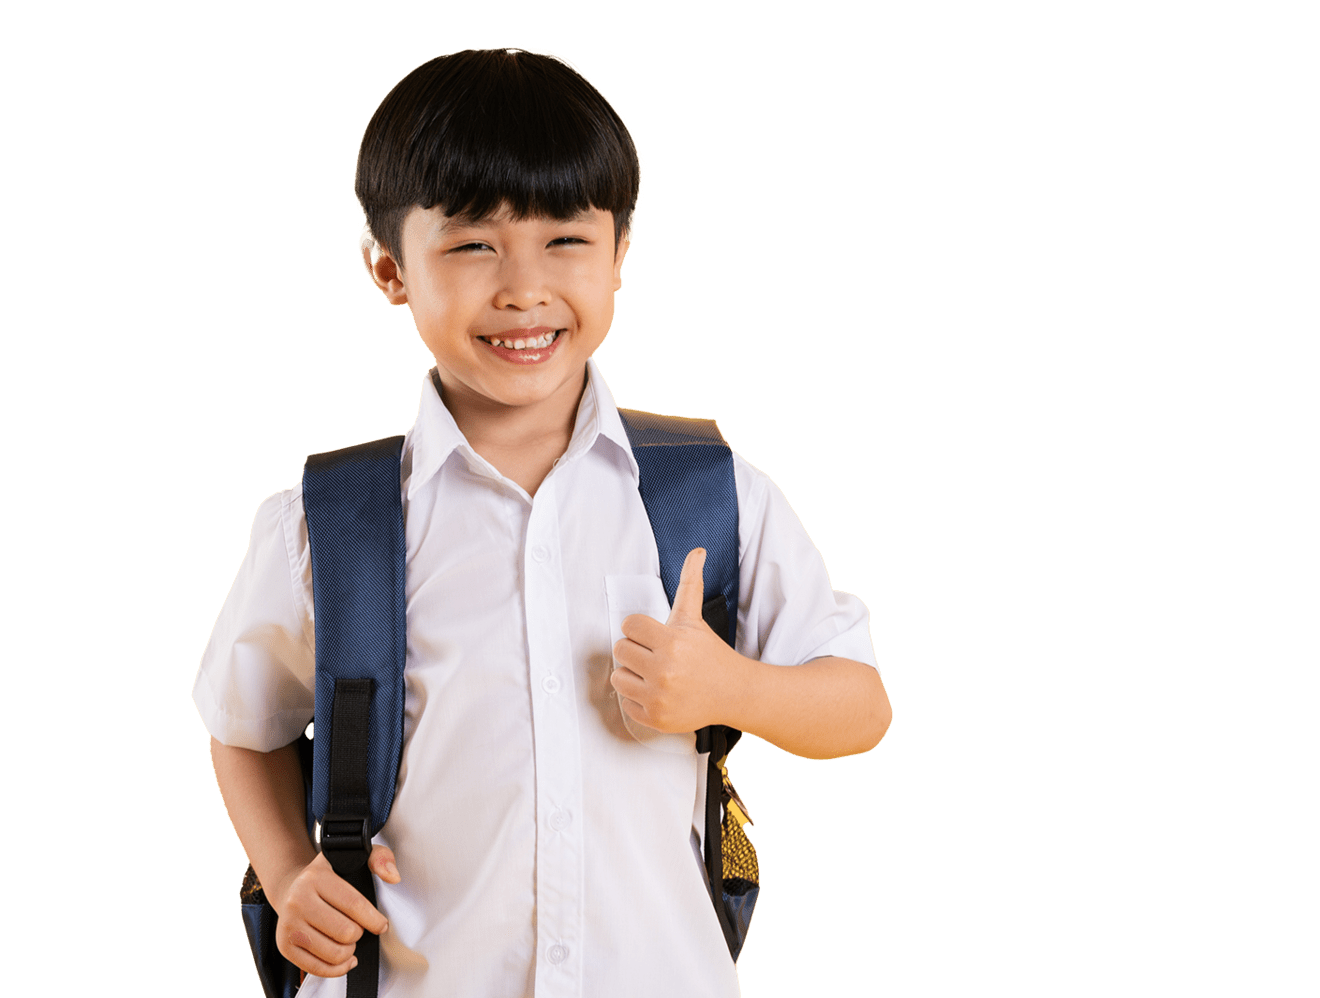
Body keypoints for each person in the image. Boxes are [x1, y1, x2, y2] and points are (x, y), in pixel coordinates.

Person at [191, 46, 892, 997]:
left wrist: (730, 687)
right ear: (389, 266)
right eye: (474, 245)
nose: (524, 288)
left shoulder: (707, 493)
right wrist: (285, 870)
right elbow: (243, 721)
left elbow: (859, 704)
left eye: (565, 240)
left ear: (620, 253)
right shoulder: (329, 525)